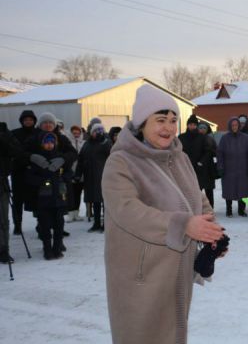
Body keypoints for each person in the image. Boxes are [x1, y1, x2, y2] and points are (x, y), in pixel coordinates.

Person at [102, 84, 225, 344]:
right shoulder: (121, 162)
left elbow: (196, 197)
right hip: (142, 274)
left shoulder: (179, 157)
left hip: (177, 269)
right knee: (143, 336)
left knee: (172, 334)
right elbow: (127, 211)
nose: (168, 127)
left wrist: (211, 231)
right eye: (160, 120)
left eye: (172, 120)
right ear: (141, 123)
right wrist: (183, 225)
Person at [25, 132, 71, 260]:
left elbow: (69, 172)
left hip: (59, 199)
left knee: (59, 225)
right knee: (45, 226)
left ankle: (57, 248)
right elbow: (29, 177)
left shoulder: (60, 158)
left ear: (55, 144)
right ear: (42, 144)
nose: (49, 145)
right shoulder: (38, 160)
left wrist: (64, 178)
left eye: (52, 142)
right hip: (43, 200)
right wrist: (41, 181)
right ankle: (47, 249)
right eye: (47, 142)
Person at [76, 123, 111, 232]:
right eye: (96, 131)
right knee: (95, 201)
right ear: (91, 132)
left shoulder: (106, 143)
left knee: (105, 202)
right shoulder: (87, 145)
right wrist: (78, 174)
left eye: (100, 130)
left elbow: (113, 158)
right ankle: (96, 223)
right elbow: (80, 160)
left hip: (104, 176)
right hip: (90, 177)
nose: (98, 133)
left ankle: (106, 224)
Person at [10, 110, 39, 235]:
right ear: (22, 121)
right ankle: (17, 225)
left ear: (34, 121)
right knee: (18, 201)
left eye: (31, 119)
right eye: (26, 120)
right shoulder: (14, 134)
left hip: (35, 172)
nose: (28, 122)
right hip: (19, 172)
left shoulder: (39, 133)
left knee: (38, 199)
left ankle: (40, 224)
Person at [217, 117, 248, 217]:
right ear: (230, 126)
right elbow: (220, 154)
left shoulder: (245, 137)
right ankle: (229, 210)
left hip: (242, 169)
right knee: (229, 190)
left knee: (242, 190)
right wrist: (220, 167)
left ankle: (241, 210)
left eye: (236, 125)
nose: (234, 127)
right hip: (228, 169)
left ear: (239, 126)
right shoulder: (225, 138)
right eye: (232, 125)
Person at [0, 123, 24, 263]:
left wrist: (3, 139)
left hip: (1, 181)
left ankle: (3, 250)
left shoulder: (4, 131)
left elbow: (17, 152)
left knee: (2, 219)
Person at [67, 125, 86, 222]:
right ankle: (70, 213)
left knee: (78, 193)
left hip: (81, 172)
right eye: (74, 133)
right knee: (70, 193)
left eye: (78, 133)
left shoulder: (83, 143)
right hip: (70, 171)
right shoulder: (67, 143)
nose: (76, 135)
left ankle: (76, 213)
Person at [197, 122, 217, 208]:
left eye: (204, 128)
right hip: (198, 168)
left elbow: (215, 152)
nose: (202, 130)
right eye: (200, 128)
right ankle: (199, 208)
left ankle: (210, 208)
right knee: (198, 191)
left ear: (207, 129)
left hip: (209, 169)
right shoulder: (196, 138)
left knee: (209, 191)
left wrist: (210, 152)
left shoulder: (211, 138)